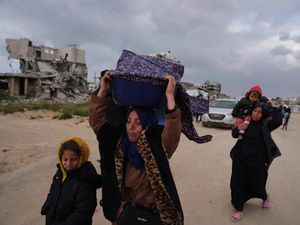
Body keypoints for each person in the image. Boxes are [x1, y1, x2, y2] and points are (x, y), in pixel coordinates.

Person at [89, 73, 184, 225]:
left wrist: (169, 95)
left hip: (148, 217)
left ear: (147, 125)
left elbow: (173, 130)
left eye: (138, 122)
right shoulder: (119, 144)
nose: (131, 127)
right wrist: (103, 90)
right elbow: (98, 123)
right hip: (123, 216)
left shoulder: (156, 147)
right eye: (128, 121)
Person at [229, 101, 282, 222]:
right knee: (237, 181)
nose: (256, 114)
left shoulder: (266, 124)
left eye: (260, 112)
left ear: (264, 115)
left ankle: (264, 197)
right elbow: (234, 134)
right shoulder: (246, 121)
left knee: (257, 181)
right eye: (255, 111)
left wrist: (273, 105)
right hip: (240, 157)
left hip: (257, 159)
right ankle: (239, 209)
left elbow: (278, 120)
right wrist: (238, 128)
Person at [41, 136, 102, 225]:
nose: (68, 164)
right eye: (65, 159)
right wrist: (47, 207)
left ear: (81, 158)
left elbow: (84, 211)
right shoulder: (60, 174)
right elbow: (53, 192)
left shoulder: (86, 179)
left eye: (73, 159)